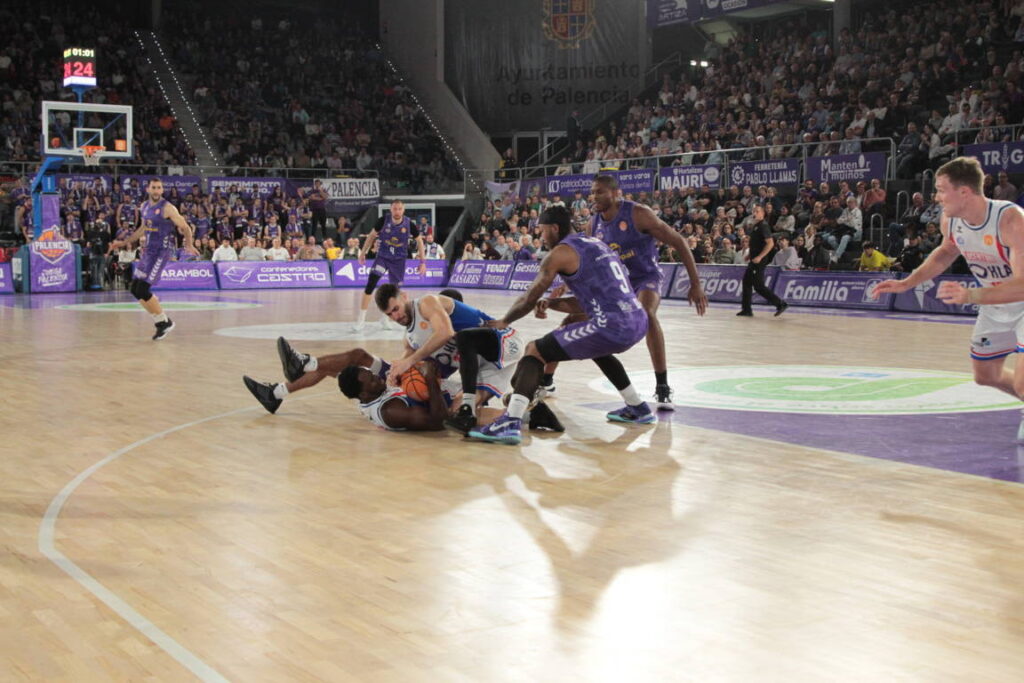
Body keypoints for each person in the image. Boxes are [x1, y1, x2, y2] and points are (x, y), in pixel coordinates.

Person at [467, 206, 656, 445]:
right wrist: (553, 303)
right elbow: (589, 300)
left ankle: (510, 421)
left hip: (613, 324)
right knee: (597, 348)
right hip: (637, 319)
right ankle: (637, 407)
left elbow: (529, 297)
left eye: (543, 231)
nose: (541, 237)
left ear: (554, 228)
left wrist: (505, 320)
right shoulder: (595, 243)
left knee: (535, 350)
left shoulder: (561, 253)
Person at [874, 157, 1024, 440]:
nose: (937, 197)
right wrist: (908, 282)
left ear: (964, 192)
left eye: (942, 190)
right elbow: (946, 252)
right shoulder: (951, 220)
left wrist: (971, 295)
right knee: (985, 375)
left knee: (1023, 381)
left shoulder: (1010, 220)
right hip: (994, 303)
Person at [585, 174, 707, 409]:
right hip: (617, 284)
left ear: (615, 193)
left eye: (600, 191)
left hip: (646, 278)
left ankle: (662, 386)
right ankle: (547, 380)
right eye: (593, 192)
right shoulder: (594, 225)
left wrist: (695, 283)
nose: (594, 196)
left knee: (647, 314)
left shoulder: (638, 213)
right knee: (577, 319)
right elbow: (589, 261)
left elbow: (679, 242)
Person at [243, 340, 447, 431]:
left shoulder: (368, 389)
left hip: (401, 390)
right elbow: (438, 421)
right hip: (447, 398)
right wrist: (429, 379)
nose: (379, 377)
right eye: (374, 379)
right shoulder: (391, 410)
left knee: (342, 362)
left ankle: (277, 391)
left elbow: (367, 380)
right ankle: (297, 371)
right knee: (357, 356)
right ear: (365, 393)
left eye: (373, 376)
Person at [125, 178, 197, 340]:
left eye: (159, 188)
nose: (156, 190)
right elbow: (142, 228)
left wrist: (189, 245)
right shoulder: (144, 206)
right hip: (148, 251)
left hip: (161, 251)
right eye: (154, 187)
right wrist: (125, 241)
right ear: (148, 189)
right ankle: (163, 322)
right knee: (135, 289)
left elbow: (185, 227)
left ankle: (163, 323)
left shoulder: (168, 208)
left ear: (162, 190)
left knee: (143, 289)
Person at [356, 200, 426, 330]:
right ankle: (361, 320)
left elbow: (420, 242)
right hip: (383, 257)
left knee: (395, 292)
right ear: (391, 209)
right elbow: (371, 236)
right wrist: (362, 253)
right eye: (395, 209)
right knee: (371, 283)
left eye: (400, 209)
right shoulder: (383, 221)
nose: (397, 211)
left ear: (403, 210)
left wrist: (422, 262)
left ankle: (384, 319)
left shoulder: (409, 224)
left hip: (399, 261)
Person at [737, 204, 787, 317]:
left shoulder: (763, 225)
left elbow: (770, 243)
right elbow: (756, 244)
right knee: (746, 282)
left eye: (758, 211)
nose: (755, 213)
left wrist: (759, 257)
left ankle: (780, 304)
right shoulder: (756, 226)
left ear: (763, 214)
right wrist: (750, 254)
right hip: (754, 259)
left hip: (759, 261)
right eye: (754, 211)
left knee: (758, 286)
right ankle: (746, 309)